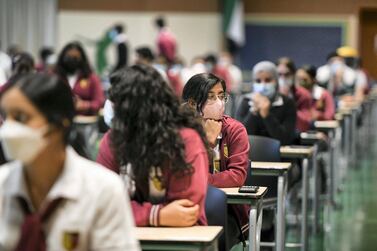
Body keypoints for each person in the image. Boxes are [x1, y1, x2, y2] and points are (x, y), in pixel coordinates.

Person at [0, 73, 139, 250]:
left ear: (58, 124)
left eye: (20, 118)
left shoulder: (102, 189)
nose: (8, 129)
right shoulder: (2, 185)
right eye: (5, 117)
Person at [97, 64, 209, 227]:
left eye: (116, 101)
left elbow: (185, 212)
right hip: (128, 237)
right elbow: (102, 203)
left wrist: (130, 213)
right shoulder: (113, 139)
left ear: (137, 108)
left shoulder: (186, 141)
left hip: (180, 240)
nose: (110, 107)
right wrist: (154, 215)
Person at [182, 73, 250, 247]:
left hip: (228, 209)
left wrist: (199, 181)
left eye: (221, 96)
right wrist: (207, 143)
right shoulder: (180, 131)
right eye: (211, 97)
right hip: (185, 204)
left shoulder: (235, 130)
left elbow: (236, 176)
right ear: (191, 103)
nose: (219, 102)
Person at [236, 61, 297, 145]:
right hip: (250, 155)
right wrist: (254, 110)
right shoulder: (245, 101)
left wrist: (267, 115)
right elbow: (239, 138)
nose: (263, 85)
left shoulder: (287, 103)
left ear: (276, 81)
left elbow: (285, 139)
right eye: (258, 81)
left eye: (268, 80)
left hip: (281, 156)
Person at [55, 41, 104, 115]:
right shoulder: (55, 76)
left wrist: (85, 105)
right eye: (68, 57)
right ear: (63, 57)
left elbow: (99, 102)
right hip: (59, 120)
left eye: (75, 58)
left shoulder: (91, 78)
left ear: (82, 59)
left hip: (84, 121)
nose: (71, 60)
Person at [276, 57, 313, 133]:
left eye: (287, 74)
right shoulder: (268, 95)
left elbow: (304, 125)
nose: (283, 78)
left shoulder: (304, 94)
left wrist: (288, 102)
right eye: (279, 74)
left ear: (293, 75)